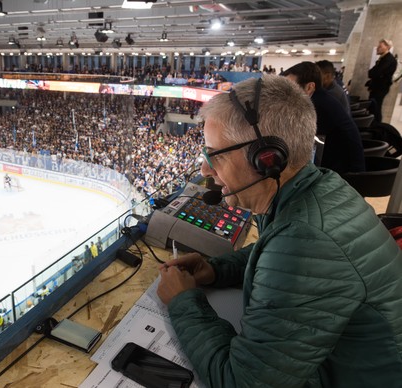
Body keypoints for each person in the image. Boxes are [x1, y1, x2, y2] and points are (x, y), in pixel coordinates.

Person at [156, 75, 402, 387]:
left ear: (267, 158)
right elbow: (274, 250)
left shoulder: (308, 242)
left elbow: (243, 382)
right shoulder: (317, 188)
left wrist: (183, 301)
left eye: (214, 153)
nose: (205, 169)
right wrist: (215, 271)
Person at [282, 62, 364, 175]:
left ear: (309, 87)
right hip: (342, 165)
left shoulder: (317, 106)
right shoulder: (322, 98)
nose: (286, 94)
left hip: (342, 174)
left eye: (291, 88)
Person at [366, 38, 398, 124]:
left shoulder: (388, 59)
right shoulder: (383, 59)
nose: (377, 48)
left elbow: (374, 72)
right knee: (373, 107)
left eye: (380, 46)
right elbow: (372, 73)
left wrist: (373, 73)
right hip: (378, 87)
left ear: (387, 47)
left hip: (380, 88)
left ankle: (376, 127)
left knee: (375, 108)